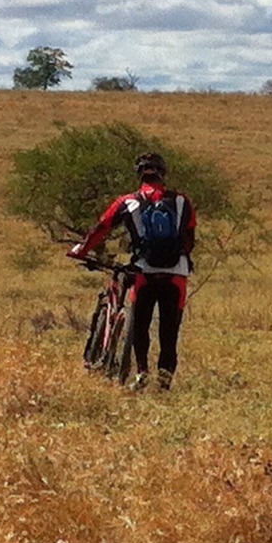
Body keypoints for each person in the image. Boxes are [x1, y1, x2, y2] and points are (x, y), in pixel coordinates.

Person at [67, 152, 196, 391]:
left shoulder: (127, 201)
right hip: (176, 274)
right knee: (170, 330)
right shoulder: (182, 201)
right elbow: (189, 237)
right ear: (163, 174)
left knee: (140, 324)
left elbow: (102, 226)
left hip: (144, 272)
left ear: (139, 175)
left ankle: (142, 373)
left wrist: (81, 251)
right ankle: (165, 382)